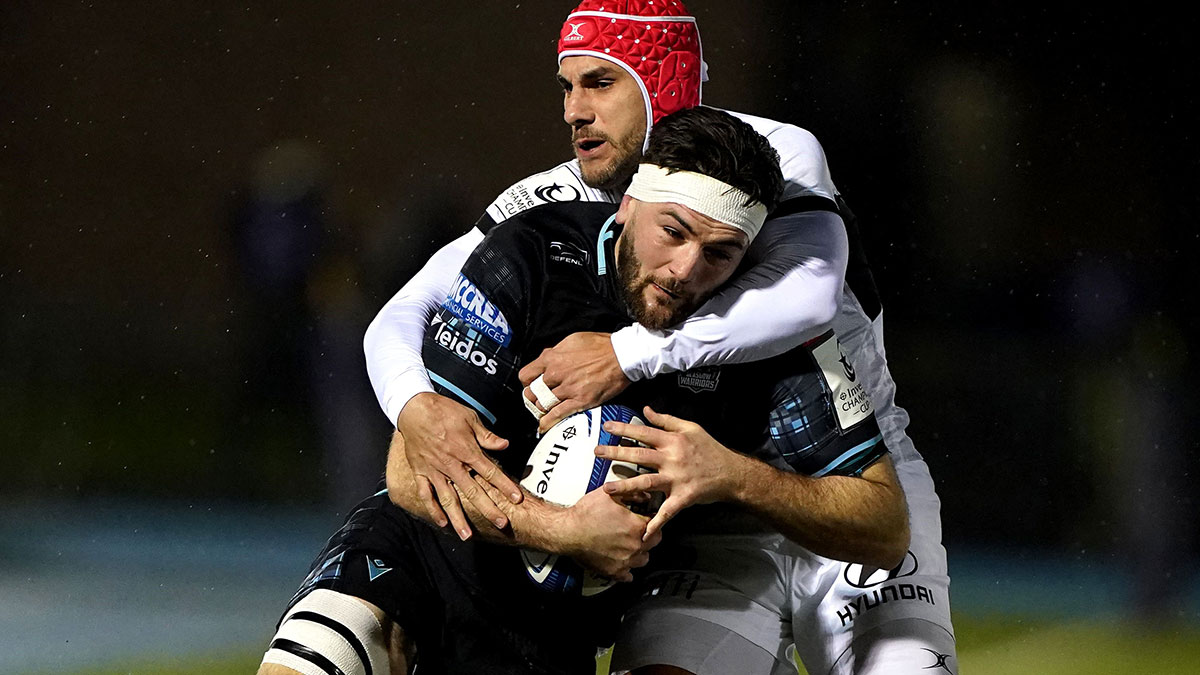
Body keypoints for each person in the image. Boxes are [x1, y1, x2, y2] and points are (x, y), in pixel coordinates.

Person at [364, 2, 957, 673]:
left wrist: (624, 355)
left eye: (600, 83)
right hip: (703, 506)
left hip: (846, 472)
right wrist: (419, 407)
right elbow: (401, 313)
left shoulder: (768, 157)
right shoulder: (549, 202)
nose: (574, 111)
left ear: (662, 79)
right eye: (567, 87)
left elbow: (808, 296)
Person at [259, 107, 904, 675]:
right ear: (627, 205)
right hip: (421, 561)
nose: (686, 271)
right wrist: (563, 530)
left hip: (554, 629)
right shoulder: (532, 254)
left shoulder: (766, 330)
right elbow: (409, 472)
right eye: (672, 232)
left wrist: (732, 474)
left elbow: (883, 525)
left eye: (722, 253)